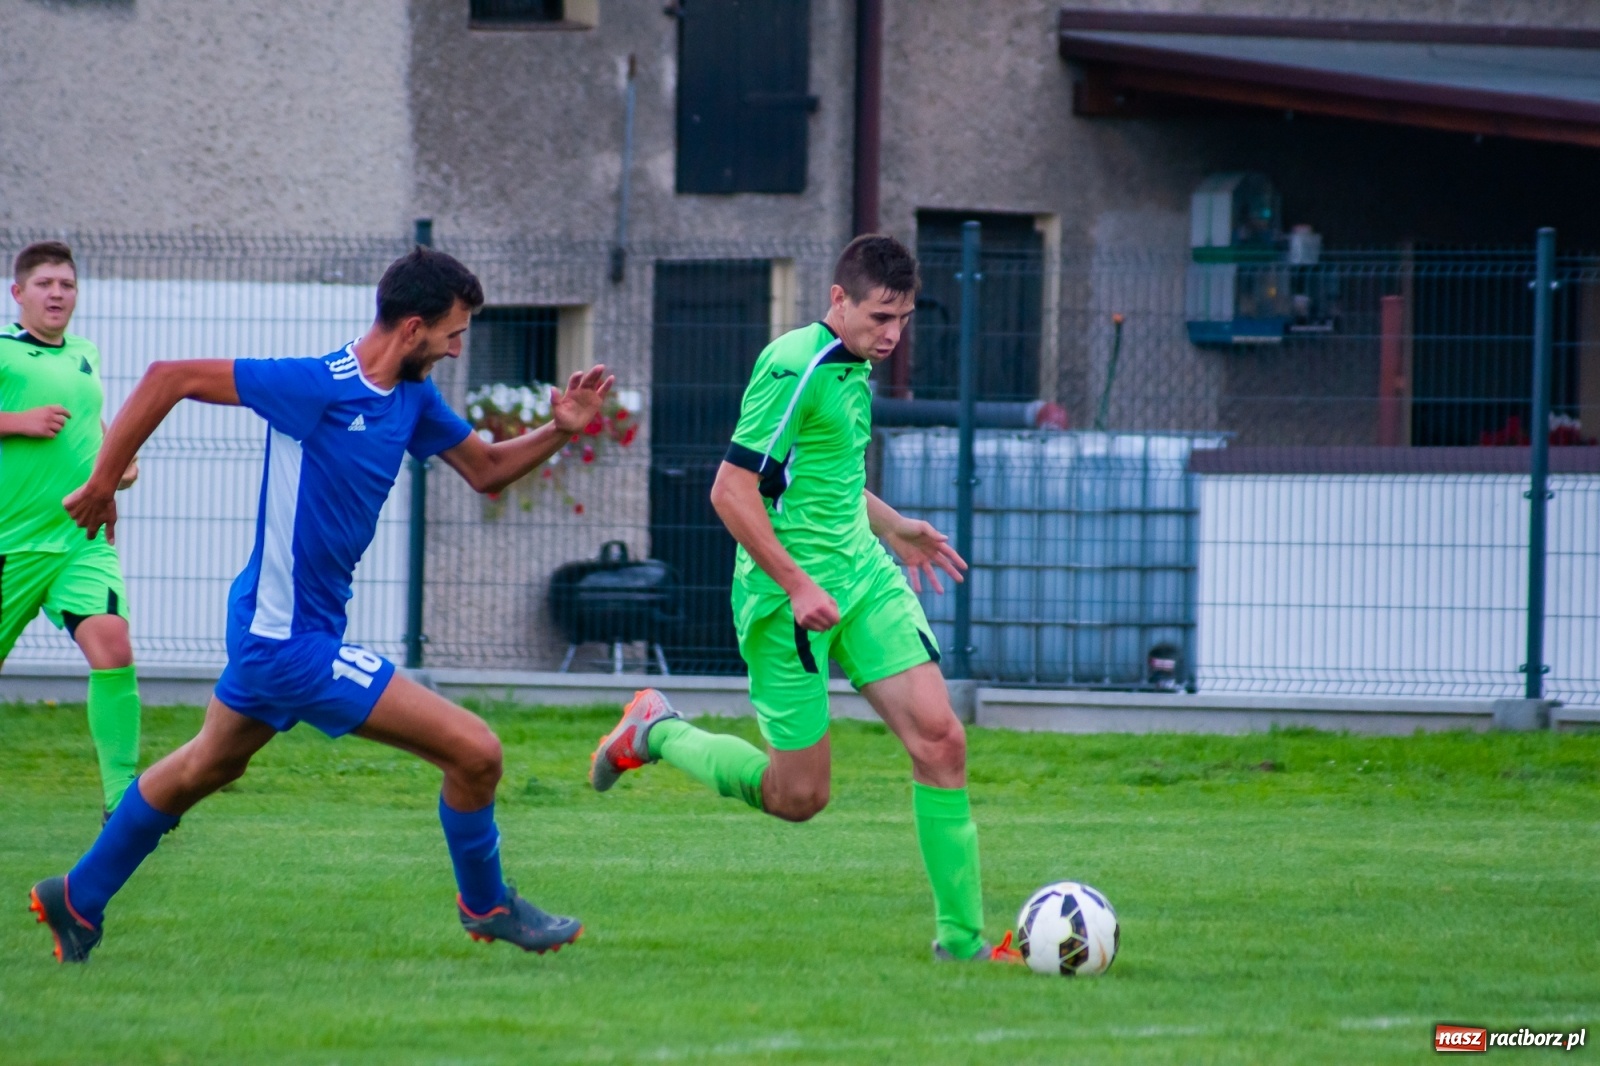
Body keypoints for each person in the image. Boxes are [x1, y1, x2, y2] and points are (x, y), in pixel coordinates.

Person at [30, 247, 611, 964]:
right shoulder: (316, 385)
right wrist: (101, 482)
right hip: (285, 643)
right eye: (454, 334)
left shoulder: (411, 398)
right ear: (412, 328)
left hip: (279, 630)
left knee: (205, 767)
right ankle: (487, 905)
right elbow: (167, 377)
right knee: (477, 752)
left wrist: (559, 429)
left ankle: (77, 896)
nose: (459, 348)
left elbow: (486, 471)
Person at [589, 235, 1019, 963]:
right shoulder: (795, 364)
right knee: (799, 798)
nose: (893, 335)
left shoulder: (855, 367)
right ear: (838, 300)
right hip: (784, 601)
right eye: (882, 316)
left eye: (905, 318)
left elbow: (819, 477)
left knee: (942, 742)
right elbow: (732, 490)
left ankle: (963, 943)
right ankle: (655, 730)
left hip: (864, 581)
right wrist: (795, 583)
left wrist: (894, 526)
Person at [0, 241, 143, 820]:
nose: (58, 293)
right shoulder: (3, 352)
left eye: (67, 284)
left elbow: (96, 429)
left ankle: (124, 799)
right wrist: (15, 421)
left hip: (78, 542)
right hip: (13, 546)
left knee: (113, 647)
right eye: (45, 284)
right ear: (18, 294)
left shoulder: (86, 354)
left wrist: (116, 468)